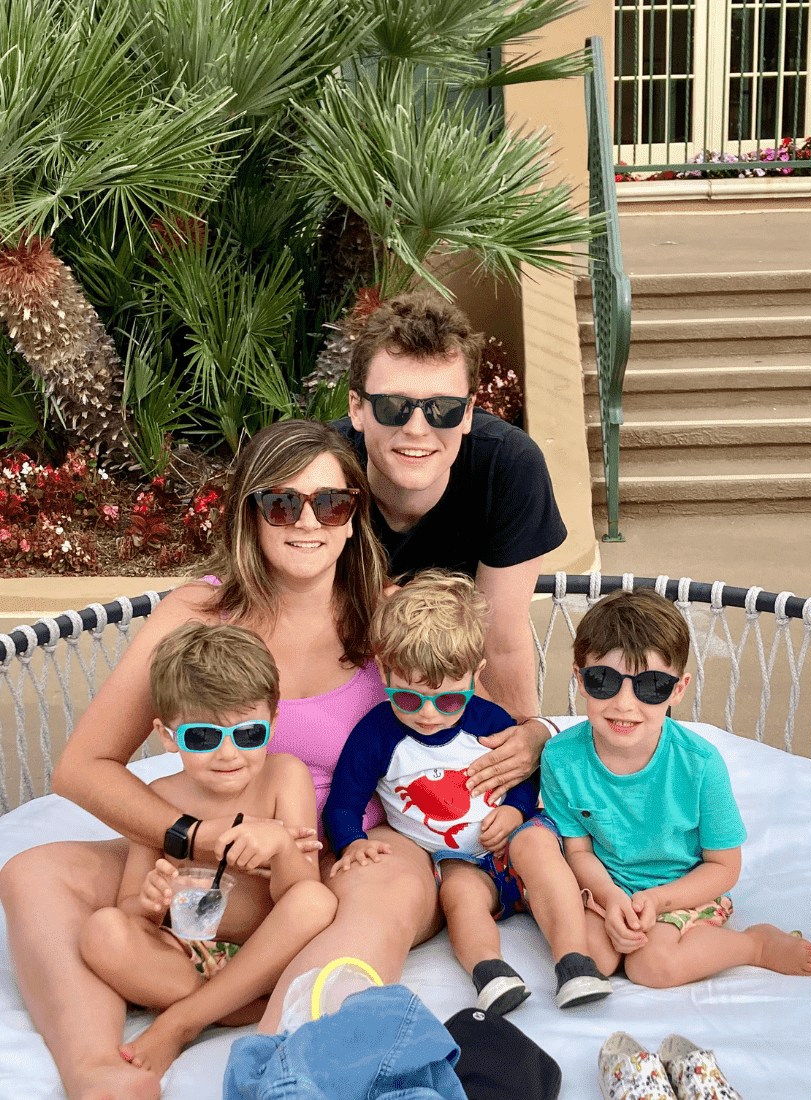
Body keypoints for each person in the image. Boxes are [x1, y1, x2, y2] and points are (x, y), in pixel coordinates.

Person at [0, 420, 444, 1100]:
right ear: (252, 515)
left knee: (383, 888)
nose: (308, 521)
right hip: (212, 843)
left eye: (331, 503)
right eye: (282, 503)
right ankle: (101, 1072)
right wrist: (197, 839)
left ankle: (278, 1068)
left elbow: (473, 717)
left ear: (354, 517)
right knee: (32, 872)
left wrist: (530, 740)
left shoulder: (391, 619)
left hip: (343, 849)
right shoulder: (197, 614)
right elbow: (83, 767)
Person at [323, 570, 611, 1015]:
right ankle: (490, 971)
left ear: (475, 676)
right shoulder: (376, 735)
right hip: (455, 861)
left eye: (449, 700)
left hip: (514, 842)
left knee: (539, 846)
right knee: (459, 897)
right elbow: (344, 800)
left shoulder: (490, 721)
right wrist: (351, 842)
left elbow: (524, 778)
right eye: (409, 699)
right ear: (383, 669)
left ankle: (574, 961)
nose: (429, 715)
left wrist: (516, 813)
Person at [334, 290, 567, 802]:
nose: (417, 428)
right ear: (357, 407)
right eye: (393, 406)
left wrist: (518, 747)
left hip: (450, 699)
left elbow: (500, 639)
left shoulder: (507, 467)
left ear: (467, 412)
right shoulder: (321, 477)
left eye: (442, 409)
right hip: (342, 695)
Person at [80, 621, 337, 1082]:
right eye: (202, 737)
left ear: (273, 724)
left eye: (247, 734)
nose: (227, 753)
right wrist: (151, 903)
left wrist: (280, 844)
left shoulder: (285, 778)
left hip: (260, 954)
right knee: (101, 930)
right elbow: (131, 909)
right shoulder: (159, 796)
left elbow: (301, 892)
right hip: (182, 958)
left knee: (317, 903)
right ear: (167, 735)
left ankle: (184, 1020)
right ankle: (225, 1003)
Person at [538, 587, 811, 988]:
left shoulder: (700, 764)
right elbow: (578, 850)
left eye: (651, 685)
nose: (624, 704)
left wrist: (658, 901)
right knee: (591, 960)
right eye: (603, 680)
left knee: (650, 967)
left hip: (683, 890)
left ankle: (755, 945)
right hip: (608, 890)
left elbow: (724, 866)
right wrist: (609, 896)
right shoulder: (560, 757)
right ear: (580, 680)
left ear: (678, 688)